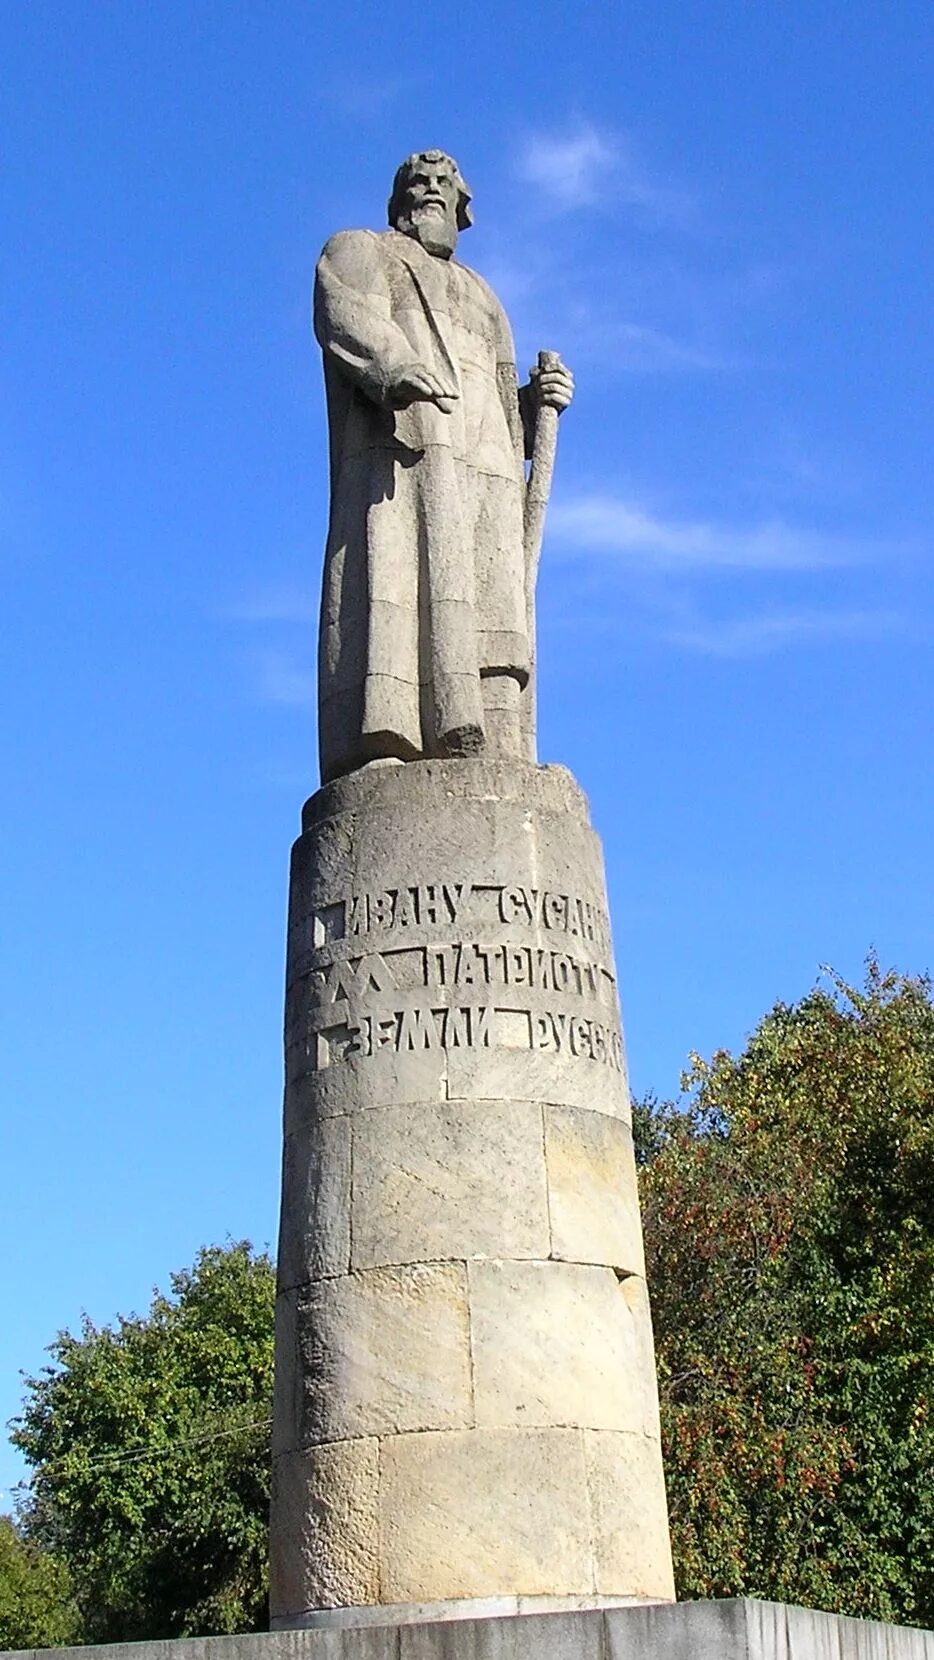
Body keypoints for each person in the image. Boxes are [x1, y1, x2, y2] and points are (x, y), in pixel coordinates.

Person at [314, 149, 574, 783]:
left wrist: (533, 405)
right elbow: (344, 312)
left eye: (442, 184)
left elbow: (496, 400)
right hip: (407, 457)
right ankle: (395, 740)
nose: (429, 190)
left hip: (487, 474)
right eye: (417, 182)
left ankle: (500, 745)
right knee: (402, 594)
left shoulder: (485, 297)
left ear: (463, 206)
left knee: (494, 614)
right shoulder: (364, 250)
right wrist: (394, 365)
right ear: (398, 201)